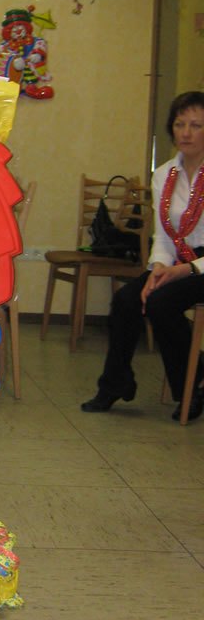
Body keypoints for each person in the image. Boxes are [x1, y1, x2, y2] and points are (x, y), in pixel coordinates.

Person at [82, 90, 204, 422]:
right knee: (127, 300)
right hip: (176, 258)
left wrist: (183, 271)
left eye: (196, 125)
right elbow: (162, 235)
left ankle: (190, 387)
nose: (186, 133)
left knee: (161, 303)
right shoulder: (164, 173)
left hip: (200, 264)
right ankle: (115, 383)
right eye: (179, 124)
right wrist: (158, 268)